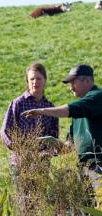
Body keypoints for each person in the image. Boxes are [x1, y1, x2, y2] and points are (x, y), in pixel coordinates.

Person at [22, 64, 102, 200]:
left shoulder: (97, 97)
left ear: (87, 81)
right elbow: (69, 146)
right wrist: (48, 150)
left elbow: (69, 110)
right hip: (85, 168)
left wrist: (41, 111)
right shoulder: (80, 110)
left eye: (73, 83)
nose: (71, 88)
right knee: (86, 215)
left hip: (98, 167)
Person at [1, 62, 59, 168]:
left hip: (42, 163)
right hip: (20, 162)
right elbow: (5, 131)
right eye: (32, 79)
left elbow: (54, 136)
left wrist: (49, 152)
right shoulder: (18, 103)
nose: (35, 82)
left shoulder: (50, 107)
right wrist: (19, 149)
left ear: (45, 80)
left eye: (39, 78)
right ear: (27, 81)